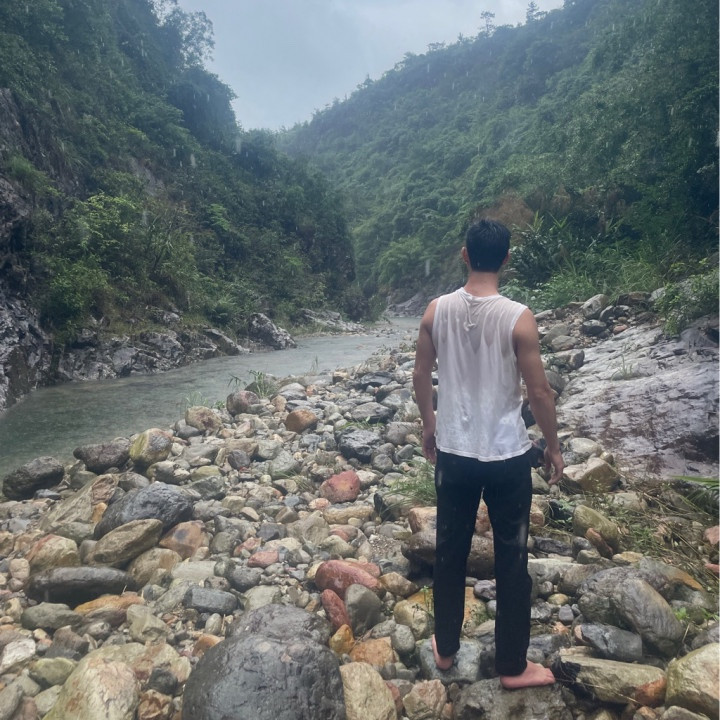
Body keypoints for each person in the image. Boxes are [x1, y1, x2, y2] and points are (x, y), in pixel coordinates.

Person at [412, 218, 564, 689]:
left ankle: (445, 648)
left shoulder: (436, 311)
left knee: (450, 551)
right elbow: (539, 392)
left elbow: (420, 376)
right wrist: (553, 445)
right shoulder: (518, 316)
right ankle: (513, 666)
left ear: (464, 255)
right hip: (507, 456)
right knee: (511, 558)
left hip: (454, 454)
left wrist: (430, 424)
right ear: (507, 260)